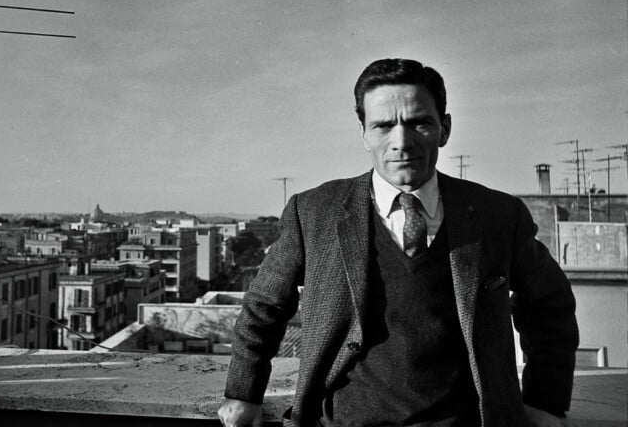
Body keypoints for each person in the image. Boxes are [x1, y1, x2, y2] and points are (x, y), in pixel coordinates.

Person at [218, 58, 578, 427]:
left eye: (419, 122)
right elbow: (264, 305)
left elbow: (549, 305)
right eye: (383, 126)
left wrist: (545, 400)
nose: (401, 142)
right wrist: (243, 393)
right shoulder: (313, 212)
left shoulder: (497, 215)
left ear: (445, 129)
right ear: (364, 133)